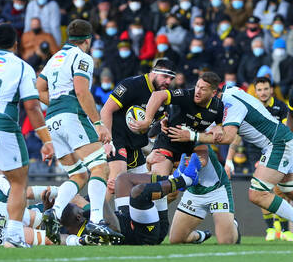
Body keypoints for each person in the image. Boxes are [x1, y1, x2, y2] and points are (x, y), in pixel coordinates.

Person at [36, 19, 121, 245]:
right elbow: (82, 92)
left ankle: (53, 214)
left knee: (78, 175)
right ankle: (96, 220)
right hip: (72, 115)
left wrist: (56, 102)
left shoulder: (54, 58)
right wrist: (98, 123)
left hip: (52, 118)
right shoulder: (82, 57)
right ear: (88, 40)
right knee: (100, 167)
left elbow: (38, 89)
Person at [169, 81, 293, 232]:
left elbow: (227, 137)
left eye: (203, 92)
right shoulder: (229, 92)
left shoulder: (230, 104)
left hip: (277, 144)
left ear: (214, 94)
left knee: (258, 194)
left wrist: (192, 135)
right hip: (278, 142)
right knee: (288, 190)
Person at [0, 23, 54, 248]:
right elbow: (31, 106)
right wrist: (47, 140)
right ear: (15, 45)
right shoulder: (21, 66)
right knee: (17, 180)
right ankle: (15, 236)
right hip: (2, 125)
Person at [62, 152, 204, 245]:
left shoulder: (83, 218)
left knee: (122, 180)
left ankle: (174, 177)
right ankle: (186, 180)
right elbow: (114, 228)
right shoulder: (89, 234)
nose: (80, 201)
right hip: (146, 234)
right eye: (77, 207)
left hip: (133, 219)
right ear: (79, 217)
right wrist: (88, 205)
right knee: (138, 192)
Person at [129, 72, 224, 178]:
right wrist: (147, 121)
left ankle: (168, 164)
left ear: (213, 93)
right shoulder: (187, 95)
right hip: (168, 143)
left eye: (203, 89)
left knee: (202, 160)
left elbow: (222, 130)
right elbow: (157, 95)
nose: (198, 91)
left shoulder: (218, 107)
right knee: (159, 179)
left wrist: (219, 128)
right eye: (197, 86)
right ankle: (128, 180)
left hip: (190, 146)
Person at [100, 59, 176, 184]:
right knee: (116, 182)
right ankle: (82, 203)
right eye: (165, 76)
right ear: (154, 72)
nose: (168, 81)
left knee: (152, 188)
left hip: (135, 147)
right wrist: (108, 142)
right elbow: (105, 111)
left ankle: (82, 201)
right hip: (117, 140)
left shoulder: (163, 97)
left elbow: (155, 130)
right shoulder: (132, 85)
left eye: (171, 78)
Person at [169, 145, 240, 244]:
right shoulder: (167, 142)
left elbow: (202, 161)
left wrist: (178, 175)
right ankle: (200, 236)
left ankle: (232, 224)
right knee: (176, 240)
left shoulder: (197, 138)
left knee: (226, 242)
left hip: (217, 190)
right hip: (193, 192)